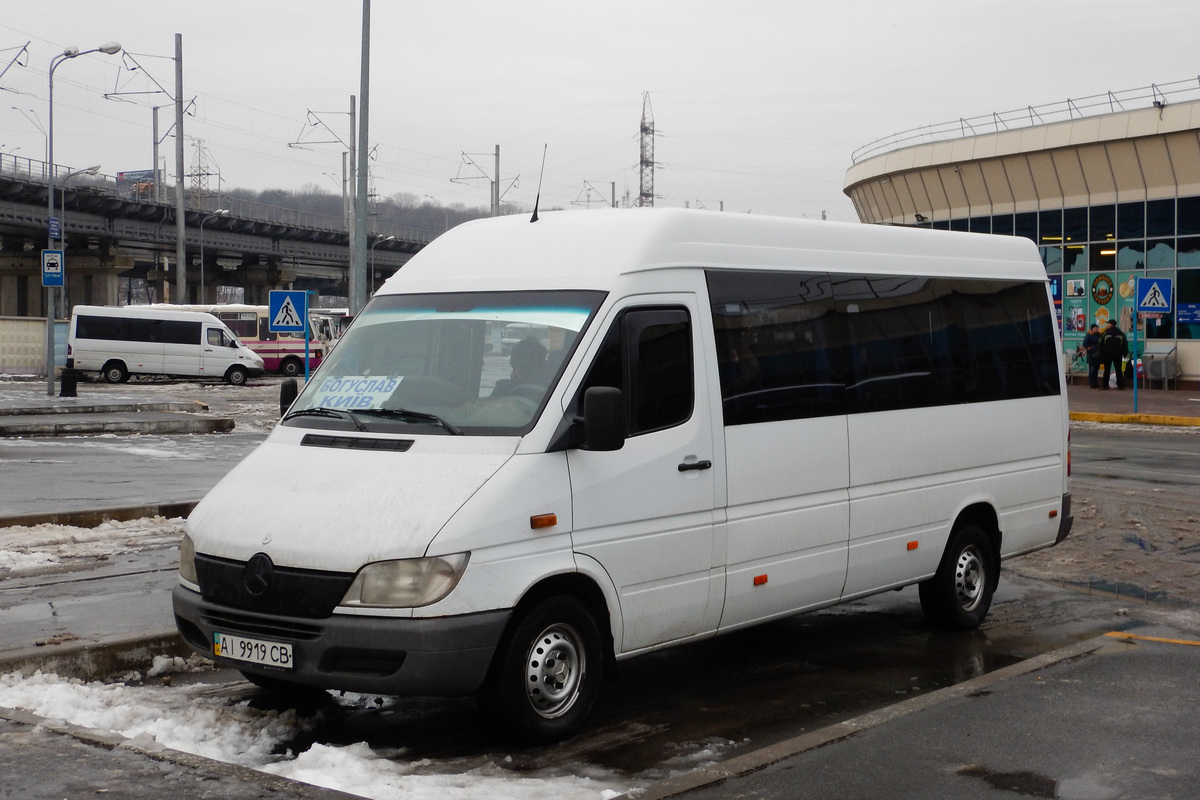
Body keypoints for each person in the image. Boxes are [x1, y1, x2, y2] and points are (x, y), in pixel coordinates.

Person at [1098, 319, 1128, 390]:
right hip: (1118, 355)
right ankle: (1120, 386)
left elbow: (1100, 344)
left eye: (1108, 323)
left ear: (1111, 324)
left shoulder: (1106, 333)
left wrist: (1102, 353)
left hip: (1107, 355)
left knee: (1107, 370)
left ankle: (1105, 386)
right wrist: (1124, 353)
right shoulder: (1121, 333)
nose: (1107, 325)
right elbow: (1125, 344)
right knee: (1118, 370)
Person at [1081, 323, 1102, 388]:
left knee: (1096, 369)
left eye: (1096, 328)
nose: (1096, 329)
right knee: (1092, 369)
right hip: (1091, 354)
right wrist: (1088, 348)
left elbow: (1102, 341)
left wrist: (1100, 333)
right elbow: (1085, 343)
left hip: (1098, 354)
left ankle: (1095, 383)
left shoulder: (1099, 335)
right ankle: (1092, 383)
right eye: (1094, 328)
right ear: (1092, 329)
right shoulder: (1089, 335)